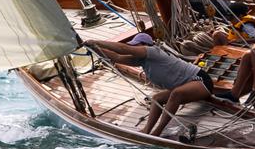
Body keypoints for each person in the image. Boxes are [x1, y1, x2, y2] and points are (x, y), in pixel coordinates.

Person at [84, 33, 213, 139]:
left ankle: (158, 131)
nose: (134, 49)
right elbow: (116, 57)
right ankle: (147, 130)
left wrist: (97, 41)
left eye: (137, 46)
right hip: (188, 85)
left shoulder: (154, 51)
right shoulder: (142, 60)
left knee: (176, 94)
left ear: (146, 45)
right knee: (156, 98)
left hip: (201, 80)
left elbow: (123, 49)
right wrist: (94, 48)